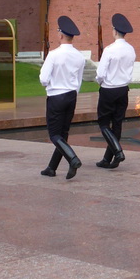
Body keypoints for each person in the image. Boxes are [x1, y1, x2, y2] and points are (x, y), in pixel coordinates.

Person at [39, 15, 85, 179]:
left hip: (56, 96)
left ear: (60, 34)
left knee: (54, 134)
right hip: (71, 95)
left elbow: (43, 79)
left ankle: (72, 158)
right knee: (63, 134)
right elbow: (79, 80)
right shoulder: (79, 56)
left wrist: (51, 85)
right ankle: (52, 167)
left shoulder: (54, 54)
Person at [95, 13, 136, 169]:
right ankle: (107, 158)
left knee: (104, 123)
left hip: (109, 89)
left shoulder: (110, 50)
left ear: (114, 30)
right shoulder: (130, 49)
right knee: (117, 124)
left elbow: (100, 74)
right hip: (123, 89)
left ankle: (117, 152)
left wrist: (101, 82)